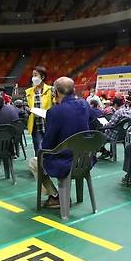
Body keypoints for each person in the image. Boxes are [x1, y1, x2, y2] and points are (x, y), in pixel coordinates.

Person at [28, 77, 90, 208]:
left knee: (34, 162)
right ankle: (60, 196)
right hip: (84, 160)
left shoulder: (54, 112)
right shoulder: (85, 104)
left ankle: (55, 196)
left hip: (64, 162)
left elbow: (47, 144)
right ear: (73, 90)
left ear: (55, 92)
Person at [25, 66, 53, 155]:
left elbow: (56, 104)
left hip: (49, 124)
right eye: (32, 75)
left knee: (50, 149)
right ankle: (39, 167)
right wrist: (27, 109)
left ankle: (49, 167)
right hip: (36, 126)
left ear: (43, 77)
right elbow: (26, 105)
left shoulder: (51, 90)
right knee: (38, 150)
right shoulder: (28, 92)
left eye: (35, 75)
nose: (33, 77)